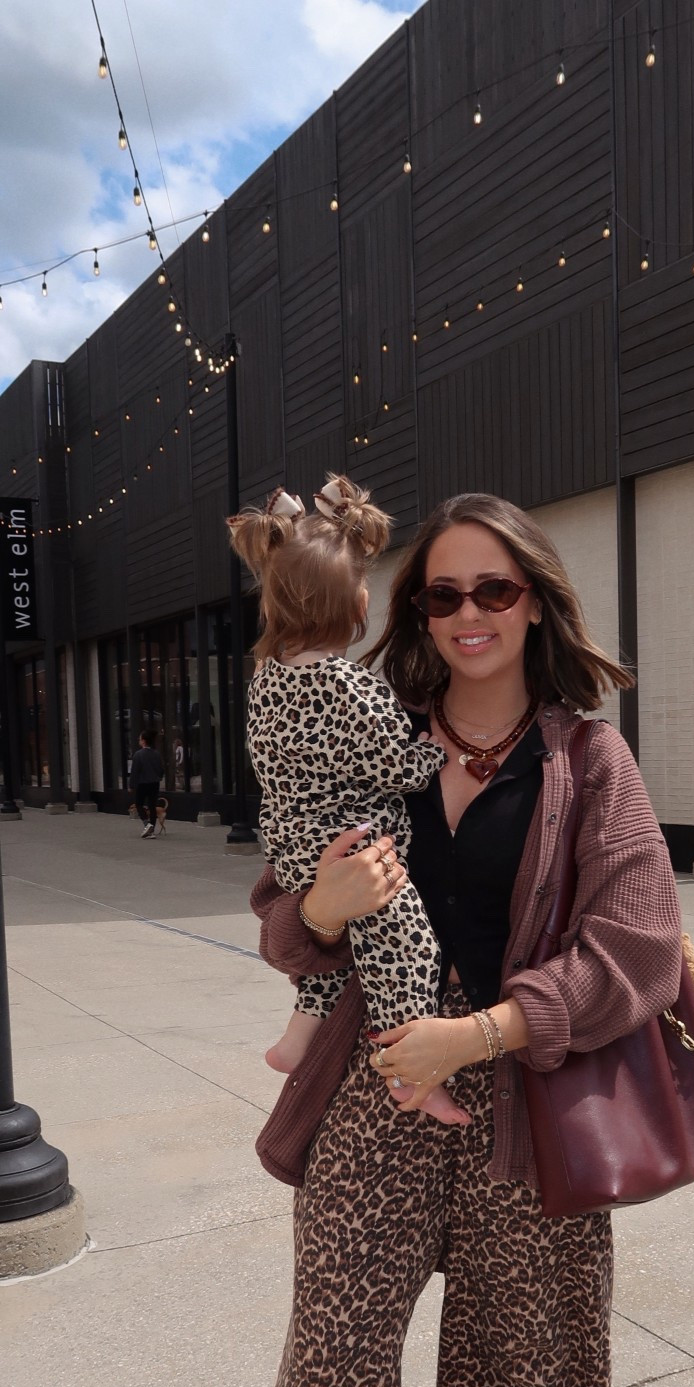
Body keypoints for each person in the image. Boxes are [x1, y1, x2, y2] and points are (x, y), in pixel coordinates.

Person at [233, 492, 684, 1387]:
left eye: (494, 589)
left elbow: (636, 944)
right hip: (373, 1091)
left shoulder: (589, 761)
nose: (469, 613)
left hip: (526, 1096)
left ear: (533, 598)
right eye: (442, 592)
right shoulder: (357, 729)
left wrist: (480, 1032)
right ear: (408, 608)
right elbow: (282, 922)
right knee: (330, 1358)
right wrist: (317, 907)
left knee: (523, 1358)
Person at [228, 474, 465, 1127]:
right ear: (356, 607)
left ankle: (297, 1036)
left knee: (345, 952)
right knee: (405, 945)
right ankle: (408, 1072)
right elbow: (392, 762)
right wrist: (436, 753)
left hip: (294, 849)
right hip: (356, 846)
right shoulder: (344, 685)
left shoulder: (266, 680)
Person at [128, 729, 165, 837]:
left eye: (139, 739)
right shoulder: (156, 754)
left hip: (142, 783)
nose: (139, 741)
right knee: (152, 806)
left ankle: (147, 824)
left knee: (139, 804)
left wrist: (131, 785)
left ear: (143, 741)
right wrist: (159, 777)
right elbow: (161, 769)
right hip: (154, 783)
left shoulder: (138, 755)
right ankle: (152, 828)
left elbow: (135, 771)